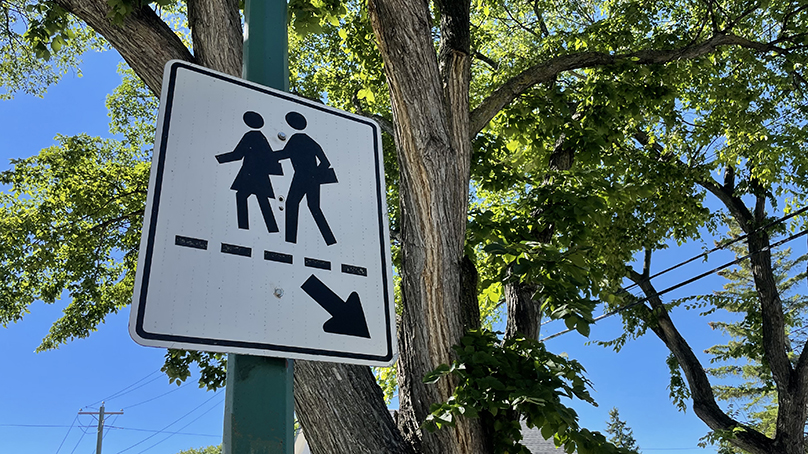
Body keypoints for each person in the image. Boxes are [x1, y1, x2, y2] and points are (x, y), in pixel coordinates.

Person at [216, 111, 283, 233]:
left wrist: (219, 159)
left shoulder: (250, 136)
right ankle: (272, 229)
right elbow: (270, 156)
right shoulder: (261, 137)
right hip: (260, 175)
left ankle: (243, 228)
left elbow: (237, 155)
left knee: (243, 197)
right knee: (262, 200)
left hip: (250, 174)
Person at [277, 111, 337, 245]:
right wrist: (315, 174)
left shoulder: (295, 139)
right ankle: (330, 241)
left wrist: (265, 156)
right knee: (314, 207)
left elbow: (283, 154)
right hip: (314, 179)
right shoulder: (311, 140)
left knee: (291, 204)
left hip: (300, 177)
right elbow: (325, 162)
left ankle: (290, 241)